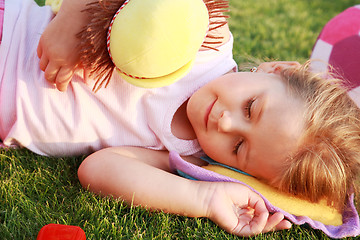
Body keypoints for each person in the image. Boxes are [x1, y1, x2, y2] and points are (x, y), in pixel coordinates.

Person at [1, 0, 359, 236]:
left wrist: (203, 198)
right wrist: (72, 19)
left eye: (237, 147)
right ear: (276, 69)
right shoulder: (207, 41)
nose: (225, 122)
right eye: (250, 107)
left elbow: (97, 169)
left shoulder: (185, 154)